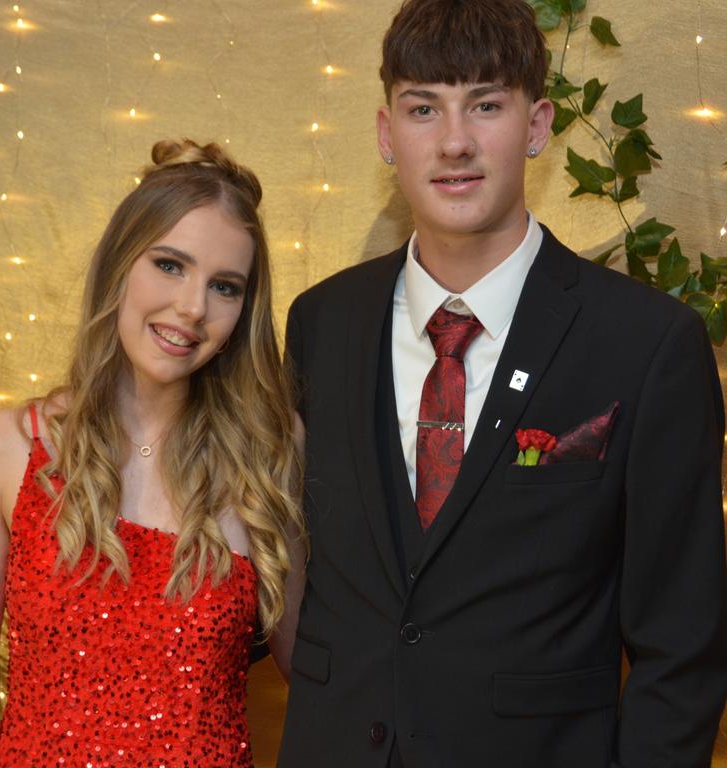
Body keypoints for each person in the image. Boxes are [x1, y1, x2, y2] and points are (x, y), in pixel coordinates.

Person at [277, 0, 727, 766]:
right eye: (424, 108)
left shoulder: (648, 345)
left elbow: (680, 651)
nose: (454, 142)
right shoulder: (320, 323)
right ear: (388, 134)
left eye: (486, 104)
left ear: (538, 125)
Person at [0, 138, 305, 768]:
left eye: (225, 286)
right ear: (119, 265)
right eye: (170, 265)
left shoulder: (268, 456)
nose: (193, 308)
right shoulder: (4, 450)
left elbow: (315, 666)